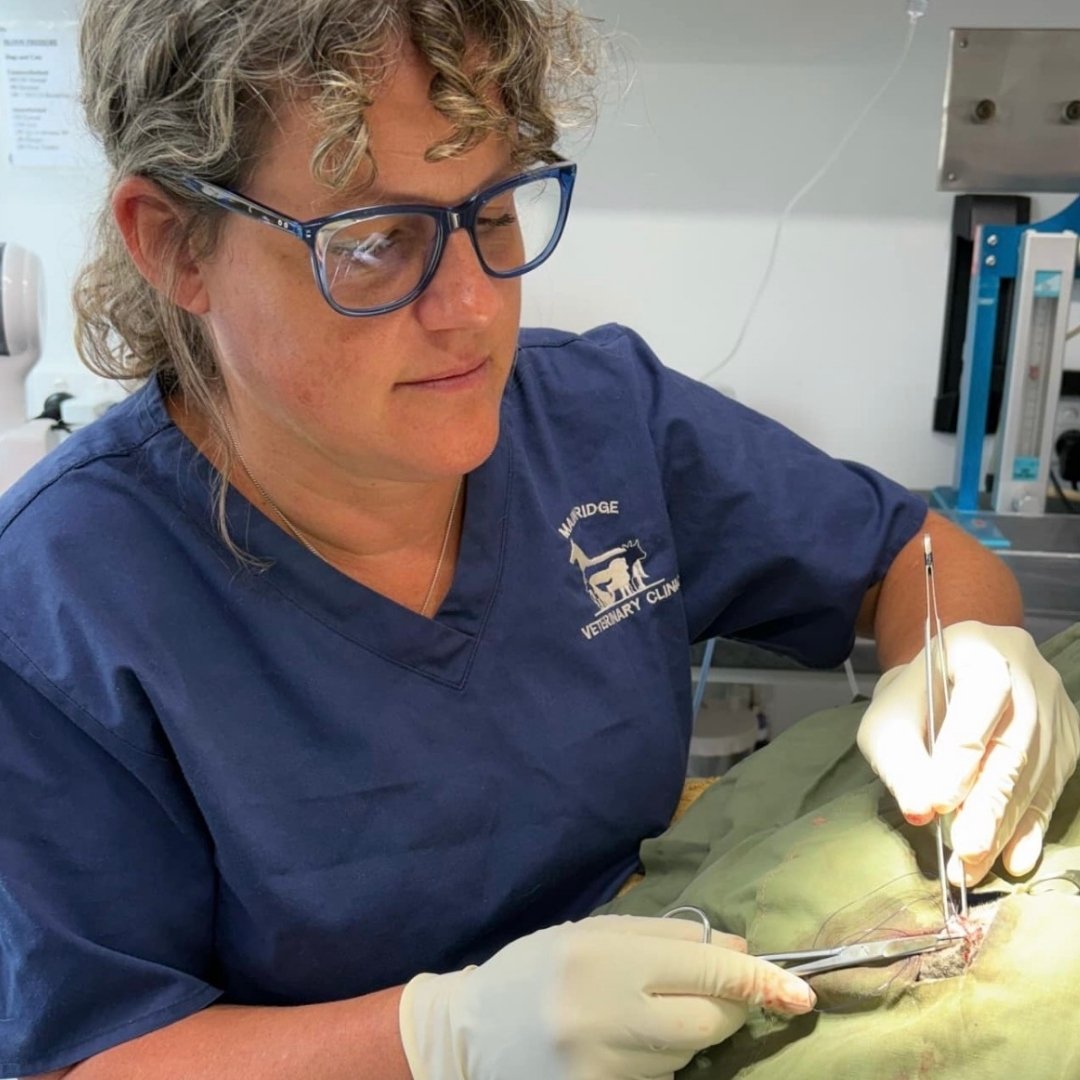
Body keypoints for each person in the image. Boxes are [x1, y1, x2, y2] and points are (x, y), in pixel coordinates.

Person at [0, 1, 1075, 1077]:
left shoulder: (598, 420)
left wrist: (962, 662)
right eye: (373, 243)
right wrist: (440, 1038)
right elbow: (84, 1054)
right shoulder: (63, 604)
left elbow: (913, 555)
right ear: (175, 244)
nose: (472, 306)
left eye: (496, 209)